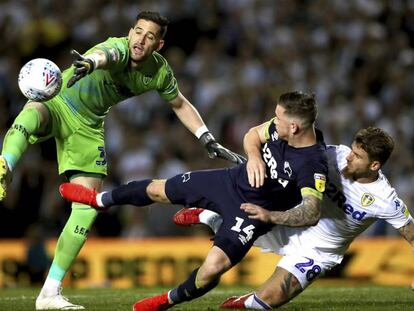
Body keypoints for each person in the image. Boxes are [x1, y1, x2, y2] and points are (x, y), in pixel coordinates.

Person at [0, 11, 243, 310]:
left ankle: (49, 293)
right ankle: (6, 165)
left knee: (88, 207)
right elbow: (104, 56)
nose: (141, 39)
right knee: (33, 111)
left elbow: (179, 103)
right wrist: (90, 62)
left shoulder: (158, 71)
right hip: (60, 102)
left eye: (150, 36)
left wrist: (206, 137)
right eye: (138, 31)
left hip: (88, 128)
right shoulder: (118, 46)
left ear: (159, 44)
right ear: (130, 31)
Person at [59, 91, 328, 310]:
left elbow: (311, 211)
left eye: (278, 118)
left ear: (294, 127)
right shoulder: (281, 128)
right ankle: (99, 200)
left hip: (251, 212)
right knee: (158, 189)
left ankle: (168, 300)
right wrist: (254, 156)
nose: (274, 120)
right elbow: (252, 135)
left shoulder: (312, 163)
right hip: (229, 181)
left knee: (212, 269)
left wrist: (270, 217)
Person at [174, 126, 414, 310]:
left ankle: (247, 301)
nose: (350, 157)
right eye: (352, 150)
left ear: (374, 165)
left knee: (268, 300)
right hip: (290, 220)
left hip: (319, 250)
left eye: (358, 156)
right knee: (246, 212)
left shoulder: (385, 199)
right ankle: (212, 216)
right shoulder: (334, 155)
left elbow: (412, 235)